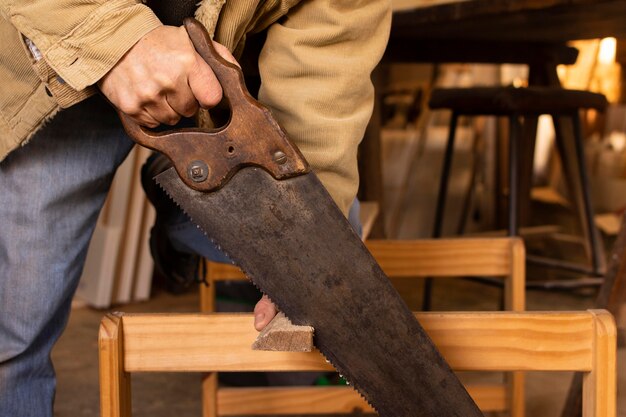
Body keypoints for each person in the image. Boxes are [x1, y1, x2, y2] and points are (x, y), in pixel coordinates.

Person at [0, 1, 391, 415]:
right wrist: (113, 40)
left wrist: (306, 222)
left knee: (329, 252)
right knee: (14, 333)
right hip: (55, 43)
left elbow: (334, 36)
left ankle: (182, 197)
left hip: (215, 73)